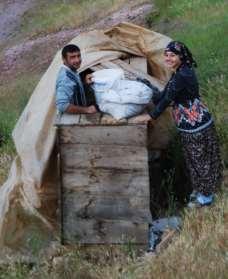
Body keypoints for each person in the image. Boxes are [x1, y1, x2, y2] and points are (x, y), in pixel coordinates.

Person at [137, 41, 223, 208]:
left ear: (181, 57)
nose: (168, 58)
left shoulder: (183, 75)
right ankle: (202, 189)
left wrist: (149, 117)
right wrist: (146, 85)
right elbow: (162, 96)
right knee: (195, 159)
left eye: (173, 55)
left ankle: (206, 198)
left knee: (199, 160)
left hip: (195, 126)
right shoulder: (179, 73)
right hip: (192, 124)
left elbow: (166, 100)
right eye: (166, 55)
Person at [55, 44, 98, 114]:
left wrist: (85, 83)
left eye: (78, 56)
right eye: (72, 57)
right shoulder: (66, 78)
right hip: (71, 119)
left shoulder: (71, 70)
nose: (77, 60)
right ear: (64, 59)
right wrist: (87, 109)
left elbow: (73, 88)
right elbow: (62, 105)